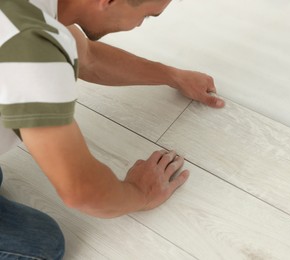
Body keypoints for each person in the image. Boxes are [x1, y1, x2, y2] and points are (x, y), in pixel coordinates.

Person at [0, 0, 225, 258]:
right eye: (147, 16)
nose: (140, 24)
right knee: (41, 245)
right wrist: (141, 193)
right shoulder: (31, 46)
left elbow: (89, 58)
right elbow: (81, 191)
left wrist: (173, 76)